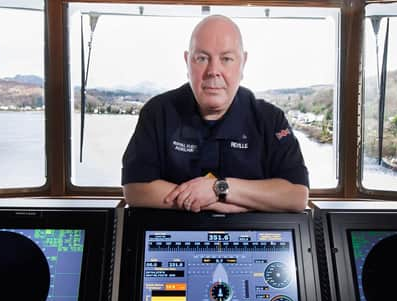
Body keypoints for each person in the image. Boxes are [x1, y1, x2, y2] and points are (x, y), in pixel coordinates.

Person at [121, 15, 309, 213]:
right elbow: (135, 189)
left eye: (226, 59)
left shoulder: (270, 119)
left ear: (243, 62)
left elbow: (296, 196)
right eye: (202, 58)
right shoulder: (157, 112)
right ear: (187, 61)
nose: (213, 71)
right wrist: (220, 204)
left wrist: (220, 189)